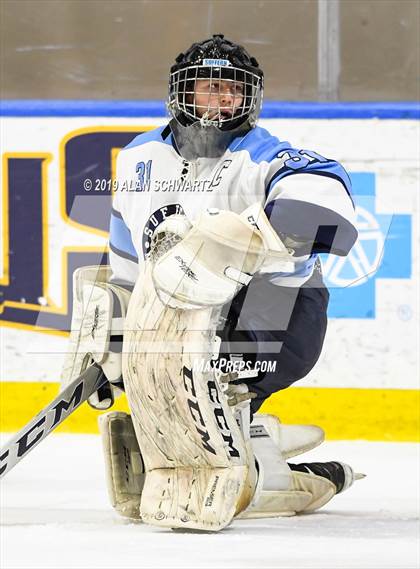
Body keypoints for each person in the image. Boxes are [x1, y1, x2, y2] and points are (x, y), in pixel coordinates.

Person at [63, 34, 361, 525]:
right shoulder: (138, 159)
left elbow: (324, 203)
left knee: (210, 373)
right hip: (178, 316)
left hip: (277, 314)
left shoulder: (265, 156)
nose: (222, 98)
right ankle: (248, 438)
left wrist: (250, 235)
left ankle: (262, 464)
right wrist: (111, 340)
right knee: (164, 366)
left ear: (250, 99)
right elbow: (127, 266)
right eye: (209, 86)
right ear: (182, 92)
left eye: (233, 89)